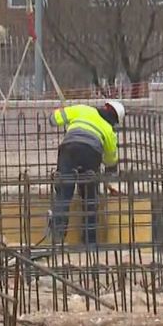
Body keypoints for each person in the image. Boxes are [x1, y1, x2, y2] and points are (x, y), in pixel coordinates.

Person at [49, 100, 124, 247]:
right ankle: (90, 242)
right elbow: (110, 161)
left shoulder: (82, 109)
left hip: (69, 149)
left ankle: (57, 238)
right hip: (92, 153)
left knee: (64, 193)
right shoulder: (109, 131)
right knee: (90, 198)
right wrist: (107, 174)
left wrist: (62, 113)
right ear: (115, 120)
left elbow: (53, 119)